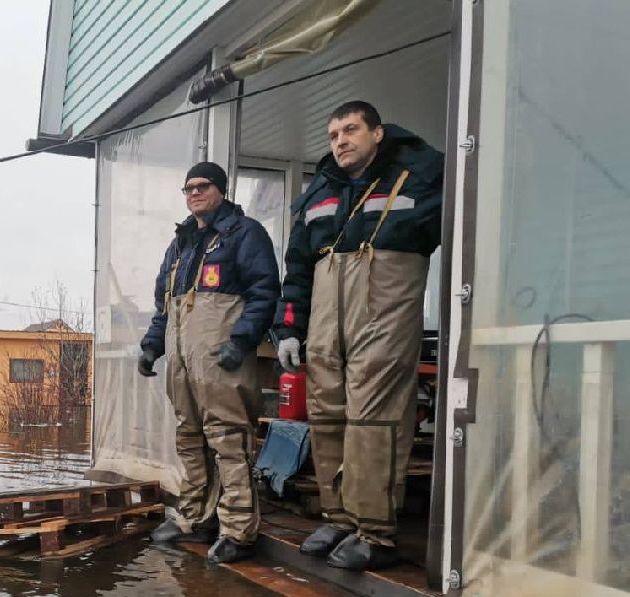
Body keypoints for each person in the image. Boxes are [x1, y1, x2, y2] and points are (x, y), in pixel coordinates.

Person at [274, 101, 443, 571]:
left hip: (383, 314)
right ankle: (341, 518)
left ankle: (376, 532)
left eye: (351, 130)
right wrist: (288, 326)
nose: (341, 141)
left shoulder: (421, 177)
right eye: (333, 135)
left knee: (374, 419)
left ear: (378, 134)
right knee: (327, 417)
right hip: (327, 318)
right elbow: (298, 266)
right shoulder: (320, 193)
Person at [139, 161, 279, 564]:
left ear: (220, 189)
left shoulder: (244, 233)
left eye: (202, 186)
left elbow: (265, 291)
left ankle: (238, 530)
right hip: (183, 360)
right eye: (188, 188)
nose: (194, 193)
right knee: (189, 437)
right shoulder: (180, 244)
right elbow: (164, 305)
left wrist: (242, 340)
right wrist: (152, 346)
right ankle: (196, 517)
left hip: (221, 359)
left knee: (229, 440)